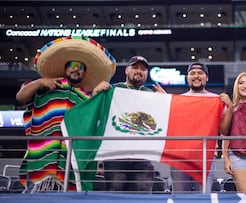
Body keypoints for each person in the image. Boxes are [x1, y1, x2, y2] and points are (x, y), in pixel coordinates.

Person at [16, 36, 116, 192]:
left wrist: (96, 95)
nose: (76, 69)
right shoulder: (46, 85)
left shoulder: (86, 97)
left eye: (81, 67)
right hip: (41, 157)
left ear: (85, 72)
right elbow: (20, 97)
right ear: (66, 67)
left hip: (68, 162)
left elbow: (90, 126)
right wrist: (40, 82)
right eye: (73, 65)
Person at [102, 55, 165, 193]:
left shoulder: (150, 94)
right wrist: (96, 92)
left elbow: (162, 122)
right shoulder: (113, 90)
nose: (139, 71)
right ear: (126, 70)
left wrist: (165, 101)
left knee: (141, 198)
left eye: (143, 69)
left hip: (142, 157)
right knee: (115, 197)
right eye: (135, 67)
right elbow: (97, 111)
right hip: (116, 156)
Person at [170, 62, 232, 193]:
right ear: (187, 77)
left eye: (200, 73)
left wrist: (230, 107)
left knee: (203, 197)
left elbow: (224, 130)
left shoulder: (217, 100)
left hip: (206, 155)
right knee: (180, 198)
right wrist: (163, 100)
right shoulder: (178, 100)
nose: (196, 76)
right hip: (180, 156)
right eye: (192, 73)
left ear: (206, 77)